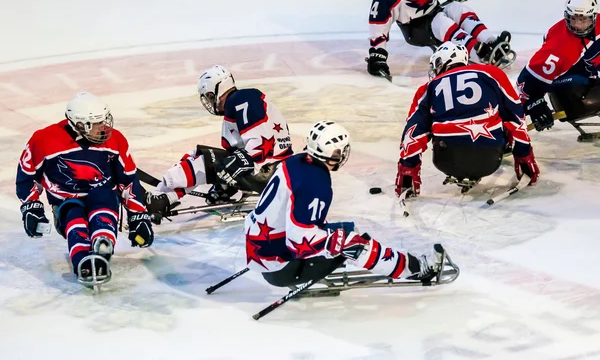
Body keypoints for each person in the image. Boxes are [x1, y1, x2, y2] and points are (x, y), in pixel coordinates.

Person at [244, 120, 445, 288]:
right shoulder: (315, 182)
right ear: (334, 153)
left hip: (261, 250)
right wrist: (341, 243)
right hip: (280, 266)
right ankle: (414, 269)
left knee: (346, 230)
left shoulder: (296, 161)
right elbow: (299, 239)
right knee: (354, 242)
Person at [16, 92, 154, 287]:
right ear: (80, 125)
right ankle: (82, 258)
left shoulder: (115, 140)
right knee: (73, 212)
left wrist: (138, 215)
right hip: (64, 201)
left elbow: (128, 180)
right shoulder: (44, 140)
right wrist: (31, 207)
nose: (103, 127)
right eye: (96, 123)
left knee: (103, 194)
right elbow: (26, 176)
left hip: (103, 197)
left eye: (103, 121)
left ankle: (102, 241)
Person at [145, 65, 293, 221]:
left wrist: (247, 161)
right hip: (274, 168)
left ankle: (158, 199)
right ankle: (165, 196)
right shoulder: (238, 102)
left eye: (208, 96)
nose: (209, 101)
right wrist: (225, 185)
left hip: (270, 171)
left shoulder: (241, 99)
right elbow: (243, 149)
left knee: (205, 161)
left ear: (215, 92)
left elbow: (261, 143)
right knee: (199, 154)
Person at [395, 42, 540, 197]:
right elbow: (515, 115)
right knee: (499, 118)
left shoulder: (428, 88)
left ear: (443, 61)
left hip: (447, 161)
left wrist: (408, 169)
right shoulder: (492, 73)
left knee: (435, 123)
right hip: (490, 159)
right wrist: (524, 154)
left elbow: (414, 132)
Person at [367, 0, 514, 78]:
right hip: (415, 29)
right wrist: (377, 55)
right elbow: (378, 23)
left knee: (458, 8)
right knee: (442, 22)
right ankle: (480, 54)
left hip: (435, 10)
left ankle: (490, 41)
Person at [516, 0, 600, 133]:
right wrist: (532, 102)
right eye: (573, 19)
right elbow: (526, 82)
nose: (577, 26)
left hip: (585, 73)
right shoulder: (559, 47)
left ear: (594, 17)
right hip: (569, 89)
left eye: (583, 19)